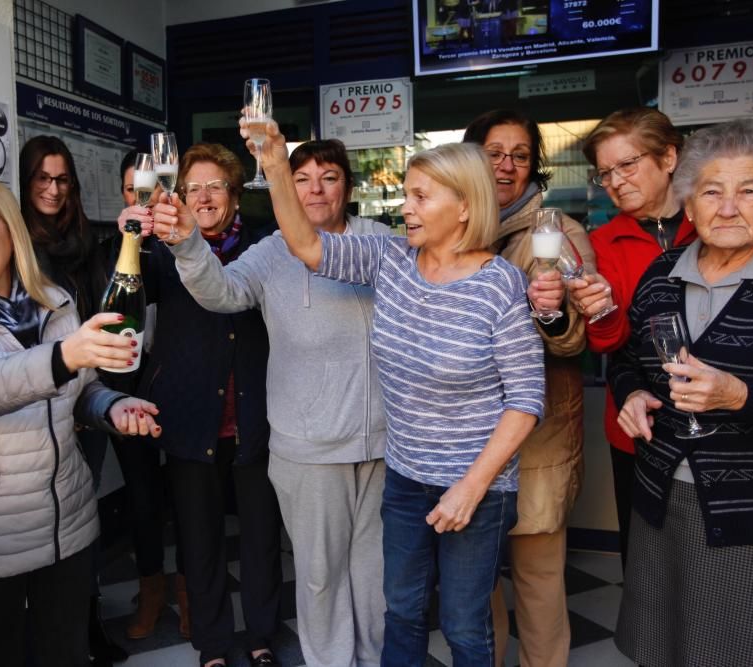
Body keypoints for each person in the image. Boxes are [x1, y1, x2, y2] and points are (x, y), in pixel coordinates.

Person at [200, 121, 544, 666]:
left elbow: (527, 399)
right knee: (401, 611)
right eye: (406, 194)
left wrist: (470, 488)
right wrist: (271, 163)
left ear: (463, 206)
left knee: (461, 622)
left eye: (420, 197)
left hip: (475, 485)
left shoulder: (499, 282)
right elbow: (307, 245)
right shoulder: (391, 261)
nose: (405, 207)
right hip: (405, 477)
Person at [151, 139, 389, 667]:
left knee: (374, 575)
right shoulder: (270, 251)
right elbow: (221, 292)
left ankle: (372, 660)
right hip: (306, 446)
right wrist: (189, 244)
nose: (315, 190)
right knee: (321, 573)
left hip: (380, 441)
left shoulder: (380, 241)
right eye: (301, 179)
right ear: (283, 188)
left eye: (329, 177)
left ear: (348, 185)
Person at [0, 176, 160, 667]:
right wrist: (65, 356)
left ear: (11, 233)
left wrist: (111, 408)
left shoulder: (53, 299)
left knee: (64, 654)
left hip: (69, 523)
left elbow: (80, 389)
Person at [608, 118, 753, 666]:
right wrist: (631, 396)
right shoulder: (661, 274)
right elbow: (627, 361)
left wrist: (742, 398)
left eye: (749, 190)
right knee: (662, 644)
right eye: (711, 192)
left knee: (734, 649)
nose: (728, 208)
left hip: (751, 515)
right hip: (660, 499)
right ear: (690, 207)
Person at [121, 142, 283, 667]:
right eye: (195, 188)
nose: (206, 196)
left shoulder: (264, 248)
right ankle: (212, 645)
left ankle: (261, 635)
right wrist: (130, 237)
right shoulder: (158, 252)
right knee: (200, 540)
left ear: (236, 194)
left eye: (217, 186)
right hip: (191, 415)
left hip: (257, 416)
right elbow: (121, 304)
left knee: (260, 538)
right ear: (181, 196)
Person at [20, 137, 179, 655]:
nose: (53, 188)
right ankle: (72, 624)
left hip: (115, 389)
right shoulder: (17, 240)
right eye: (43, 178)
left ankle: (114, 608)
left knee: (121, 500)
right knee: (60, 509)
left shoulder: (98, 237)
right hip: (53, 390)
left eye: (62, 179)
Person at [463, 109, 592, 667]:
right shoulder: (452, 231)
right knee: (475, 589)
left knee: (539, 586)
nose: (507, 166)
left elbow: (574, 341)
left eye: (519, 155)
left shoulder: (557, 233)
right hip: (467, 446)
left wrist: (552, 316)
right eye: (494, 153)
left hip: (537, 448)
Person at [569, 107, 697, 568]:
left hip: (721, 419)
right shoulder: (600, 243)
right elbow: (607, 343)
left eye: (627, 164)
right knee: (646, 562)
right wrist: (599, 309)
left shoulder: (712, 222)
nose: (615, 181)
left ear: (668, 157)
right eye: (605, 173)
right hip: (639, 422)